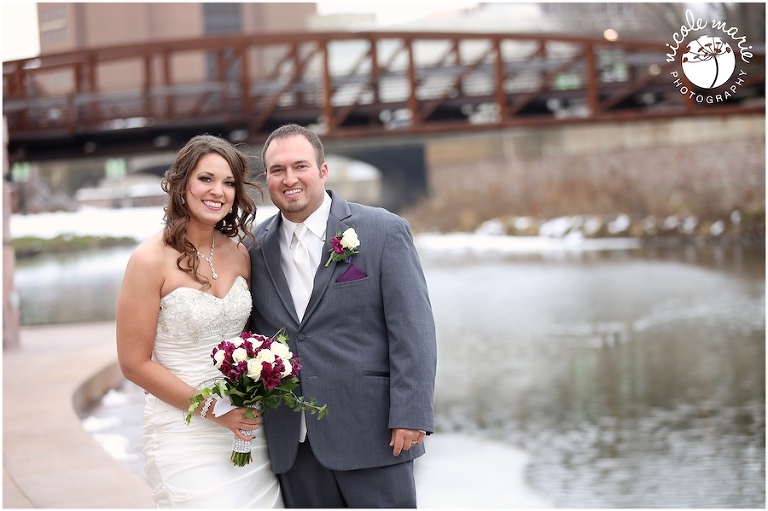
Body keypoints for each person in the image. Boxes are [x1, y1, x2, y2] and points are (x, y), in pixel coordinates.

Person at [249, 124, 437, 507]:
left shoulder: (383, 231)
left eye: (300, 166)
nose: (289, 179)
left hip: (375, 435)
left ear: (322, 170)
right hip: (293, 443)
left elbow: (413, 330)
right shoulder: (253, 247)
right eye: (277, 170)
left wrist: (412, 413)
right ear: (266, 178)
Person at [116, 134, 283, 508]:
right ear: (182, 184)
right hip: (184, 429)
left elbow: (250, 338)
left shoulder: (241, 254)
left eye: (228, 182)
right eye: (206, 179)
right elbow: (133, 363)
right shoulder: (149, 260)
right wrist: (216, 411)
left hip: (245, 429)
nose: (217, 191)